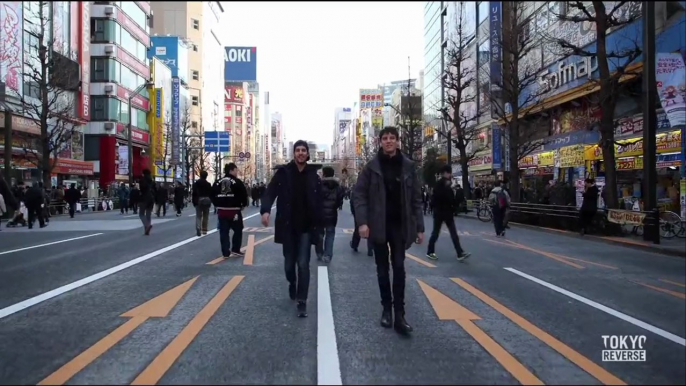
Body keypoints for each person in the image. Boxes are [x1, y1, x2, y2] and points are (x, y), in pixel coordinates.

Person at [353, 126, 423, 335]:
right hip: (378, 224)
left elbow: (416, 199)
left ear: (398, 141)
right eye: (385, 138)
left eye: (393, 138)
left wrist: (420, 227)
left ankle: (400, 313)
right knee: (382, 268)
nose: (389, 141)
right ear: (380, 141)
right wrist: (363, 223)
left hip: (400, 224)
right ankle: (386, 310)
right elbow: (359, 196)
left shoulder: (408, 166)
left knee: (399, 267)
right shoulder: (371, 167)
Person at [260, 140, 322, 318]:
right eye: (298, 150)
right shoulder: (283, 173)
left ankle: (302, 301)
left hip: (306, 227)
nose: (301, 153)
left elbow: (319, 202)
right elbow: (270, 191)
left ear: (308, 154)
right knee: (289, 264)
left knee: (303, 264)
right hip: (287, 226)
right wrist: (265, 210)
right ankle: (291, 282)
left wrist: (321, 224)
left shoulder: (313, 175)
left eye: (304, 150)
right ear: (294, 153)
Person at [426, 166, 471, 261]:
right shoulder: (440, 185)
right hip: (440, 212)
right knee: (436, 233)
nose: (450, 175)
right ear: (444, 173)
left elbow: (450, 199)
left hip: (446, 212)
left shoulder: (447, 185)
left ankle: (459, 253)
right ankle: (430, 251)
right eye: (448, 173)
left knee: (453, 233)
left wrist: (456, 202)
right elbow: (439, 198)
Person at [213, 163, 249, 258]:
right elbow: (243, 194)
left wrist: (217, 204)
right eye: (236, 170)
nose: (237, 172)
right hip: (234, 210)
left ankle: (225, 251)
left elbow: (212, 194)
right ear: (231, 170)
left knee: (224, 231)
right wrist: (243, 204)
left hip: (222, 210)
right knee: (238, 229)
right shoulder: (237, 182)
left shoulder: (218, 182)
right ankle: (235, 249)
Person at [318, 166, 344, 263]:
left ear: (324, 174)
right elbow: (339, 201)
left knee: (320, 234)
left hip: (320, 214)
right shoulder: (337, 186)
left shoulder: (319, 185)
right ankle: (328, 255)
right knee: (330, 234)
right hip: (332, 214)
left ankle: (319, 252)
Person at [349, 189, 373, 257]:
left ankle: (354, 245)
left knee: (358, 228)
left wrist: (354, 212)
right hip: (370, 211)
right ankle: (370, 249)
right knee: (370, 228)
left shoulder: (357, 190)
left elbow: (353, 202)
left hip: (359, 212)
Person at [192, 171, 214, 237]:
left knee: (198, 216)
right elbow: (211, 193)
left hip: (198, 200)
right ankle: (204, 229)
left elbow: (194, 193)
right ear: (206, 176)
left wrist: (194, 202)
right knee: (205, 216)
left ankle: (198, 227)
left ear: (200, 175)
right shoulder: (208, 184)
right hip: (206, 201)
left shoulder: (196, 184)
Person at [138, 169, 156, 235]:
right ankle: (146, 230)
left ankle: (147, 225)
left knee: (141, 214)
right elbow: (155, 190)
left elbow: (141, 190)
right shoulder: (152, 181)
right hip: (151, 198)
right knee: (148, 214)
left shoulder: (142, 180)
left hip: (144, 198)